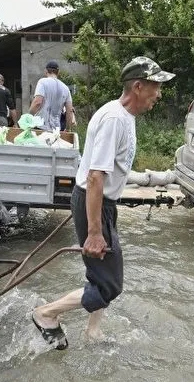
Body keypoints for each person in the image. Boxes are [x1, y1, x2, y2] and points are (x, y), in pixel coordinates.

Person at [31, 56, 175, 350]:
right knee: (110, 284)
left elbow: (111, 169)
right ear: (138, 86)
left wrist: (148, 180)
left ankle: (93, 331)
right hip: (94, 202)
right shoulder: (114, 119)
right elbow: (96, 177)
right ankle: (46, 314)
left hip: (100, 203)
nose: (159, 94)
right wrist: (95, 232)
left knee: (100, 273)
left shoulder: (123, 116)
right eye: (155, 87)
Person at [29, 61, 74, 131]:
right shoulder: (66, 88)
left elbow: (37, 102)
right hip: (55, 130)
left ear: (46, 71)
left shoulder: (42, 82)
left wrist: (28, 117)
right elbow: (69, 111)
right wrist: (68, 129)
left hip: (41, 127)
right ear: (58, 72)